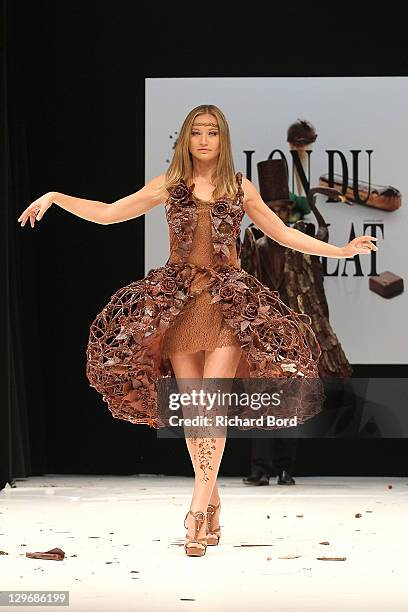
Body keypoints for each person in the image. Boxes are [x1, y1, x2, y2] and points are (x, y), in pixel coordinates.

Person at [17, 104, 378, 557]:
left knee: (211, 401)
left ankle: (194, 512)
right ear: (186, 140)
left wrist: (341, 250)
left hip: (228, 304)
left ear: (222, 139)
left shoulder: (238, 187)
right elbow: (111, 213)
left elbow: (283, 234)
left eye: (212, 132)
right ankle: (212, 502)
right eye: (196, 133)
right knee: (194, 411)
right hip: (182, 304)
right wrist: (55, 196)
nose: (204, 140)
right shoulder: (171, 185)